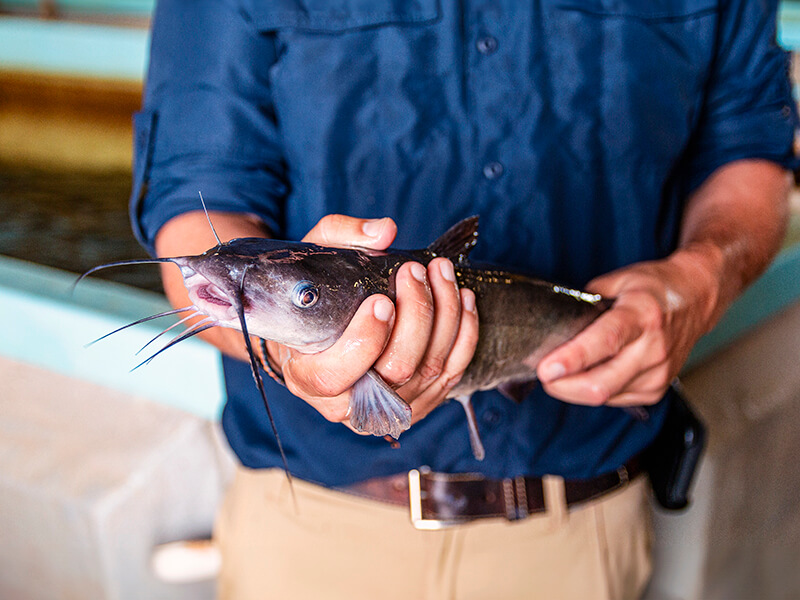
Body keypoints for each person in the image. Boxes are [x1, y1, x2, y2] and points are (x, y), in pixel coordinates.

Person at [129, 1, 797, 598]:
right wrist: (288, 350)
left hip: (580, 542)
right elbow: (199, 194)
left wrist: (703, 278)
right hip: (315, 538)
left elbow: (749, 147)